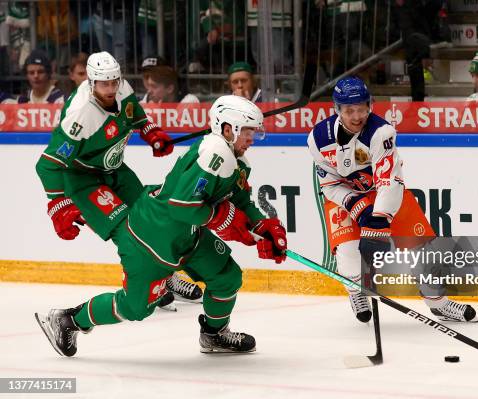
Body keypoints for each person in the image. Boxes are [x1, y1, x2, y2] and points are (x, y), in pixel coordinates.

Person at [34, 95, 288, 356]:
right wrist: (222, 217)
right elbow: (181, 204)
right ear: (227, 129)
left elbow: (239, 198)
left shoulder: (236, 160)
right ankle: (68, 321)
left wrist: (262, 226)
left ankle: (214, 334)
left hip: (186, 235)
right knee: (134, 308)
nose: (252, 138)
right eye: (247, 131)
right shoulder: (215, 154)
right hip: (152, 238)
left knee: (226, 277)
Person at [34, 51, 202, 305]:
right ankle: (139, 286)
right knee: (125, 230)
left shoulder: (122, 88)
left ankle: (166, 278)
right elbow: (46, 166)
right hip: (83, 179)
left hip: (114, 169)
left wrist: (150, 132)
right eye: (104, 83)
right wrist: (58, 204)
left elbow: (135, 116)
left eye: (114, 81)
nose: (111, 88)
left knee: (151, 216)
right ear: (91, 83)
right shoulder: (81, 115)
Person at [307, 76, 478, 323]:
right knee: (348, 255)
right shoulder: (318, 139)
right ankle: (356, 291)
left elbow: (388, 181)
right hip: (343, 196)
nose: (357, 116)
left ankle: (438, 302)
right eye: (349, 110)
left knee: (422, 252)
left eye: (362, 108)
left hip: (385, 193)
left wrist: (378, 220)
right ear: (337, 110)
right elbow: (330, 184)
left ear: (370, 105)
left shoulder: (381, 132)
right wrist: (357, 208)